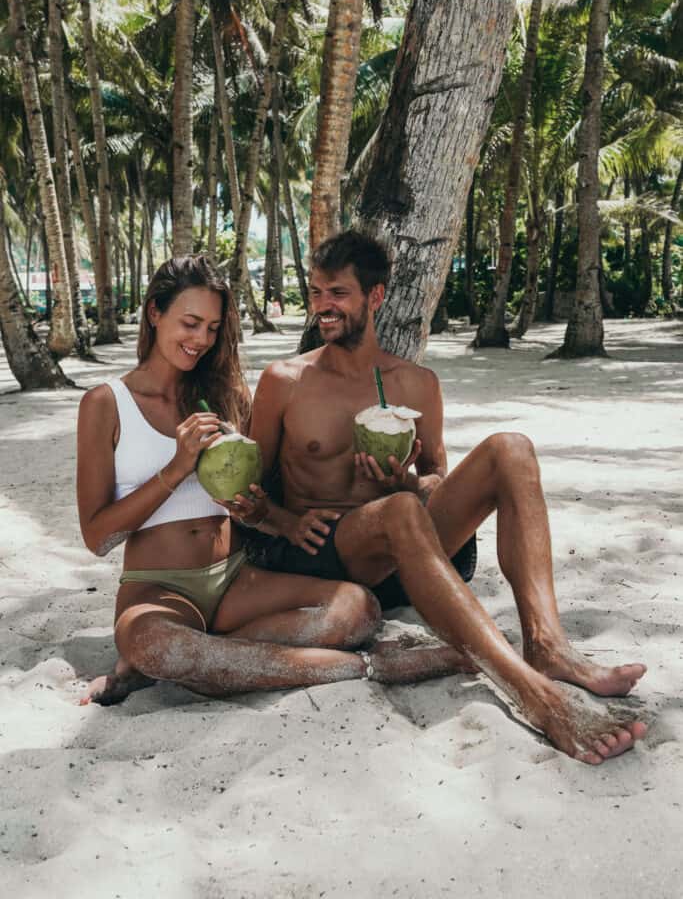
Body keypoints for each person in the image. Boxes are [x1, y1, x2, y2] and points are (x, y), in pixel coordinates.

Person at [233, 231, 648, 765]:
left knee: (511, 450)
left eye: (337, 293)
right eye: (315, 293)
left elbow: (435, 480)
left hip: (409, 548)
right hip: (329, 554)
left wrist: (404, 483)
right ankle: (532, 693)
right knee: (403, 512)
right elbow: (249, 487)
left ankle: (547, 645)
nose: (322, 307)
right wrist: (283, 520)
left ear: (375, 297)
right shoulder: (285, 380)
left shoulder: (416, 384)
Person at [77, 255, 472, 705]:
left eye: (212, 327)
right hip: (158, 588)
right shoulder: (106, 403)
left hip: (237, 580)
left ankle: (198, 664)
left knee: (358, 609)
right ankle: (370, 667)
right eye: (190, 323)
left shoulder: (224, 394)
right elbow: (97, 536)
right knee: (157, 644)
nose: (201, 340)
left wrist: (285, 523)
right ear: (154, 313)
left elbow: (252, 499)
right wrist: (175, 469)